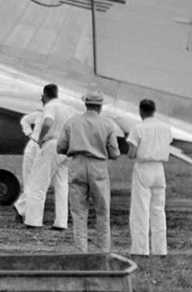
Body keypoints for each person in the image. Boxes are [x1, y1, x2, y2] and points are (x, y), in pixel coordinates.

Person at [56, 89, 122, 254]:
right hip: (98, 166)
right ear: (100, 107)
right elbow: (114, 152)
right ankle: (103, 251)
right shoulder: (107, 124)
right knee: (102, 209)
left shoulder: (72, 122)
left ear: (85, 104)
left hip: (77, 164)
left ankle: (81, 251)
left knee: (78, 211)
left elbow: (60, 147)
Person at [23, 84, 79, 230]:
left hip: (52, 144)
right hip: (67, 146)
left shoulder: (50, 106)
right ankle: (61, 223)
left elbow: (48, 122)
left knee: (37, 184)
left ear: (45, 95)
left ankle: (33, 221)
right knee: (62, 185)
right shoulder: (69, 109)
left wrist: (41, 138)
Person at [126, 99, 173, 257]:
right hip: (159, 169)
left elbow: (131, 153)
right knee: (158, 210)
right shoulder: (165, 128)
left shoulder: (138, 128)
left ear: (140, 111)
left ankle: (141, 250)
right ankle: (161, 250)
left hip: (143, 168)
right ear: (154, 110)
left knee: (140, 209)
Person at [13, 108, 42, 223]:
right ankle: (22, 209)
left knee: (33, 182)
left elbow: (25, 120)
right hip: (38, 149)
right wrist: (30, 134)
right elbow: (25, 120)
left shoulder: (42, 114)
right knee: (36, 182)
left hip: (37, 147)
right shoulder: (43, 114)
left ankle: (23, 209)